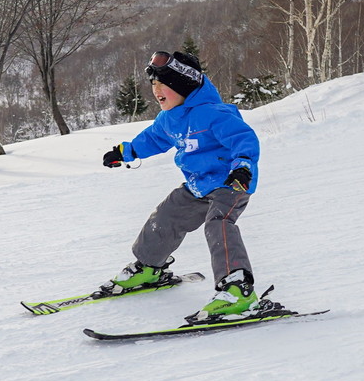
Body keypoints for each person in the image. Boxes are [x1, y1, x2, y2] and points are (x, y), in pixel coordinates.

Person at [100, 50, 261, 323]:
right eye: (154, 85)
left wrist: (243, 167)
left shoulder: (213, 114)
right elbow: (151, 139)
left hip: (229, 183)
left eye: (165, 85)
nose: (157, 90)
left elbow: (243, 138)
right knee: (166, 215)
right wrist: (125, 152)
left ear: (184, 86)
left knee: (219, 224)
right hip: (197, 186)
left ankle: (238, 289)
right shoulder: (169, 118)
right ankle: (149, 268)